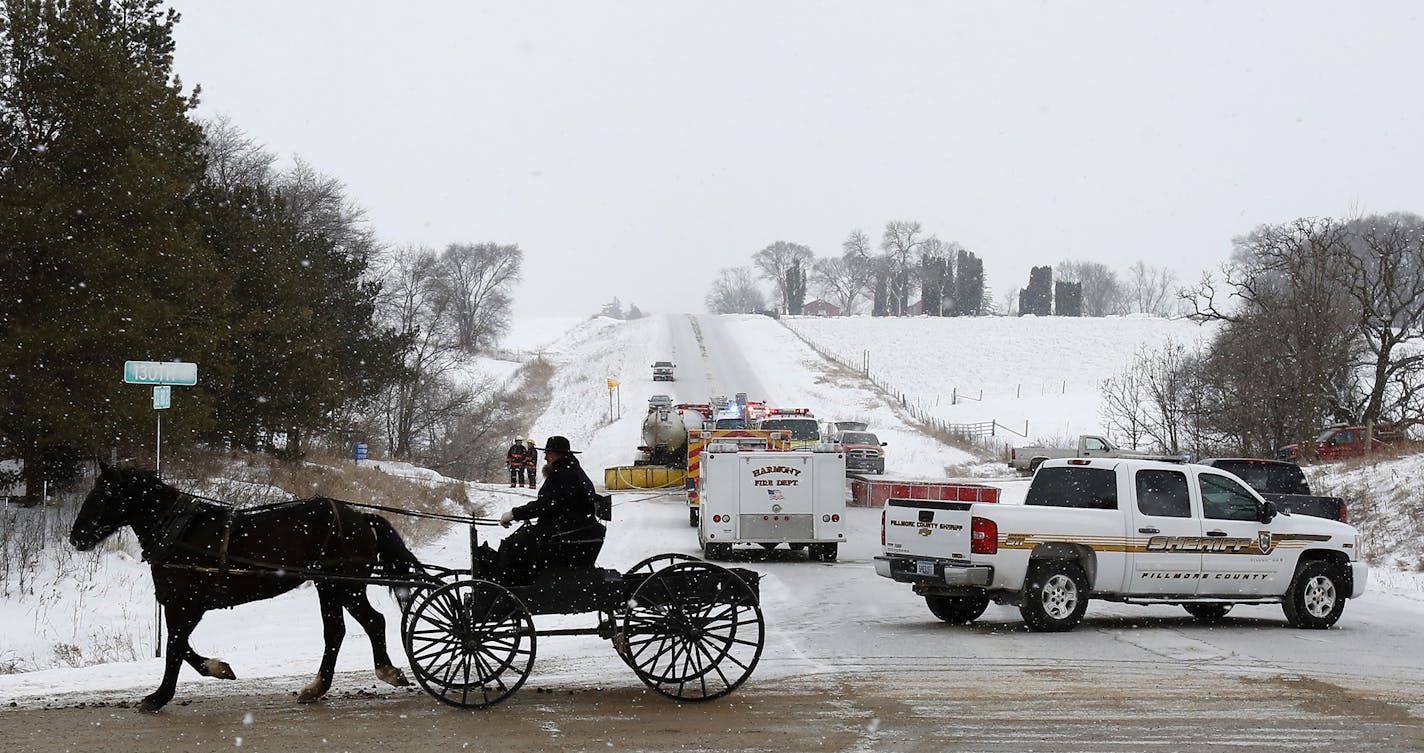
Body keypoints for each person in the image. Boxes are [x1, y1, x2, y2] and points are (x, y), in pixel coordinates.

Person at [497, 435, 605, 584]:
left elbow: (546, 504)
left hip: (566, 531)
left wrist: (514, 514)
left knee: (520, 541)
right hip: (569, 527)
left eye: (547, 453)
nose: (546, 457)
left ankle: (517, 583)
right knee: (522, 536)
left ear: (555, 454)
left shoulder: (564, 474)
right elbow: (549, 504)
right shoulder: (569, 470)